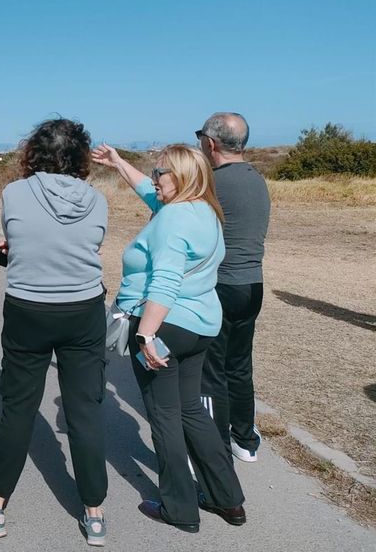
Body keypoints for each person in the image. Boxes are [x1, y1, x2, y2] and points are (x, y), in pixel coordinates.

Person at [0, 119, 110, 547]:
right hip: (83, 310)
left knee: (18, 407)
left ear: (34, 152)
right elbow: (90, 248)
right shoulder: (97, 200)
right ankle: (95, 515)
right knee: (85, 410)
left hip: (28, 309)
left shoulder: (14, 193)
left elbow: (13, 244)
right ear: (80, 155)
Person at [91, 143, 246, 533]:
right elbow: (149, 191)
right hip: (199, 326)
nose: (155, 177)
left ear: (182, 178)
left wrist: (145, 334)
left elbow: (166, 280)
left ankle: (179, 507)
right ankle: (227, 499)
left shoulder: (172, 219)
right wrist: (118, 164)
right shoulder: (204, 211)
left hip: (164, 327)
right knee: (191, 409)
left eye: (162, 172)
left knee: (164, 416)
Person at [197, 113, 271, 463]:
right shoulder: (256, 178)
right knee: (239, 365)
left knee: (211, 370)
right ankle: (245, 438)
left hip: (222, 286)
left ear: (210, 143)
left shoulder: (215, 183)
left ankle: (215, 452)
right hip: (252, 284)